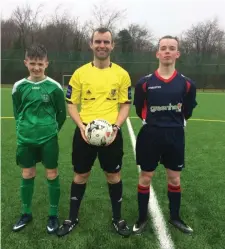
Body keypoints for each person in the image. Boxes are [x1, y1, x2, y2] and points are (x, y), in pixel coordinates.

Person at [57, 27, 132, 237]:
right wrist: (81, 126)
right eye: (98, 41)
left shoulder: (122, 74)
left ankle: (118, 219)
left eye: (106, 42)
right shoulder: (80, 73)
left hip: (112, 135)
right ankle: (72, 218)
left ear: (112, 45)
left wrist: (115, 128)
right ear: (91, 44)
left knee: (114, 175)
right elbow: (71, 104)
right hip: (85, 134)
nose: (102, 45)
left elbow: (125, 104)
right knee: (80, 175)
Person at [132, 35, 197, 235]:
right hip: (151, 136)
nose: (167, 51)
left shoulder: (187, 84)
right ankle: (142, 218)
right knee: (145, 177)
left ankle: (175, 217)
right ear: (157, 53)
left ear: (177, 53)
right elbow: (139, 110)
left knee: (175, 179)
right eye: (163, 48)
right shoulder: (145, 83)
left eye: (171, 48)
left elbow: (187, 112)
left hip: (175, 137)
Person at [12, 44, 66, 234]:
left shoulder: (54, 87)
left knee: (51, 174)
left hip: (48, 139)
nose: (36, 67)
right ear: (26, 62)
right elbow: (17, 112)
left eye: (40, 64)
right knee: (27, 174)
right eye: (32, 63)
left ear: (46, 64)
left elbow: (62, 115)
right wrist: (24, 130)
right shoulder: (19, 87)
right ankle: (26, 213)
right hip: (26, 139)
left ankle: (53, 215)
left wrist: (51, 131)